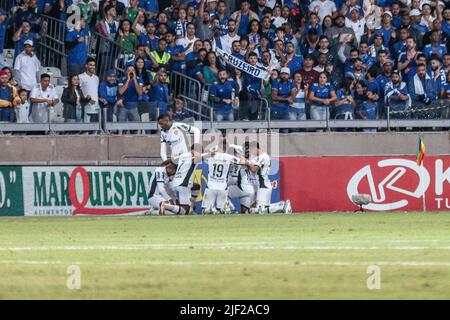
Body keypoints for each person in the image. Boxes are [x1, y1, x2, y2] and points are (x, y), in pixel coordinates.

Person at [244, 141, 291, 214]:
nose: (251, 152)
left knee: (258, 210)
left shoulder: (263, 157)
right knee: (263, 208)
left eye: (251, 150)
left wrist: (246, 163)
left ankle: (282, 206)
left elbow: (254, 169)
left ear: (255, 148)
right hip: (263, 185)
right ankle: (281, 205)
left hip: (263, 186)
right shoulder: (260, 157)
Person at [202, 143, 247, 214]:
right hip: (222, 187)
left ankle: (210, 209)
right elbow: (243, 162)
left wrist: (208, 154)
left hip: (211, 186)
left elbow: (196, 159)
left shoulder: (211, 155)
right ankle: (226, 209)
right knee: (221, 210)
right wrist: (240, 156)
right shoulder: (228, 157)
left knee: (204, 210)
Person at [78, 57, 100, 122]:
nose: (92, 67)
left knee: (94, 127)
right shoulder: (80, 76)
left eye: (93, 65)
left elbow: (96, 91)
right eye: (90, 65)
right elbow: (78, 91)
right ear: (86, 66)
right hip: (86, 105)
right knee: (86, 127)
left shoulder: (96, 78)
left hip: (96, 106)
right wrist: (87, 100)